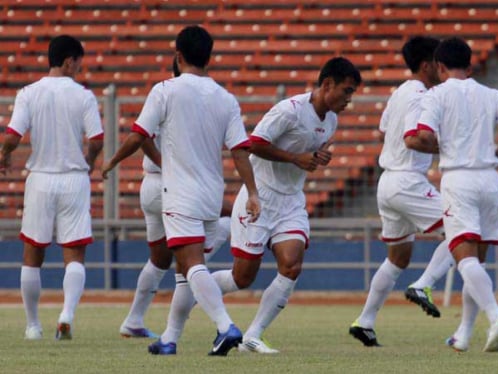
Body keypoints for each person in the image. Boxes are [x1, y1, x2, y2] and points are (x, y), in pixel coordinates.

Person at [101, 25, 261, 356]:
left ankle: (225, 326)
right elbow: (240, 150)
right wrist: (253, 191)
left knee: (190, 264)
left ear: (178, 55)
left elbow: (138, 135)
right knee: (184, 271)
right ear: (210, 58)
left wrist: (111, 161)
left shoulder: (165, 90)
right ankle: (170, 338)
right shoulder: (225, 98)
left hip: (180, 192)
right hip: (210, 193)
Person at [209, 57, 361, 354]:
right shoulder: (288, 111)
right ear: (327, 84)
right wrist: (295, 158)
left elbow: (306, 156)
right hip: (260, 198)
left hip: (291, 201)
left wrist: (317, 158)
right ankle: (195, 288)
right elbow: (254, 143)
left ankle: (253, 336)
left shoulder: (330, 120)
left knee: (292, 266)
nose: (349, 99)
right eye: (346, 91)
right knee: (242, 278)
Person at [410, 37, 498, 352]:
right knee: (476, 262)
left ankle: (496, 315)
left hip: (458, 178)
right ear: (470, 66)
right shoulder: (490, 94)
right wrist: (497, 152)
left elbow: (422, 135)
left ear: (439, 67)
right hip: (489, 179)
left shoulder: (436, 94)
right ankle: (464, 333)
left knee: (464, 258)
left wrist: (446, 145)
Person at [348, 36, 455, 348]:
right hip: (408, 180)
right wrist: (448, 147)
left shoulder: (400, 92)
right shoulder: (421, 96)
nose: (443, 69)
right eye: (439, 63)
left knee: (397, 257)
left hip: (389, 181)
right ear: (427, 66)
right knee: (462, 230)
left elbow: (385, 129)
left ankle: (365, 321)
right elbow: (413, 138)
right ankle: (424, 285)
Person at [118, 57, 233, 339]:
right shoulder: (187, 98)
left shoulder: (164, 93)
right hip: (175, 186)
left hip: (151, 186)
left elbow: (143, 135)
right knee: (218, 230)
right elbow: (142, 136)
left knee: (159, 259)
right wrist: (166, 163)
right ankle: (202, 283)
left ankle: (134, 320)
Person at [0, 35, 104, 340]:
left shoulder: (29, 93)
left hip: (41, 179)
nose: (80, 67)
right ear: (70, 60)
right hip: (74, 178)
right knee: (74, 253)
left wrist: (4, 157)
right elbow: (97, 139)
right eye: (78, 62)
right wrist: (90, 160)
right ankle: (66, 314)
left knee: (32, 253)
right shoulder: (83, 96)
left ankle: (33, 326)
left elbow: (13, 135)